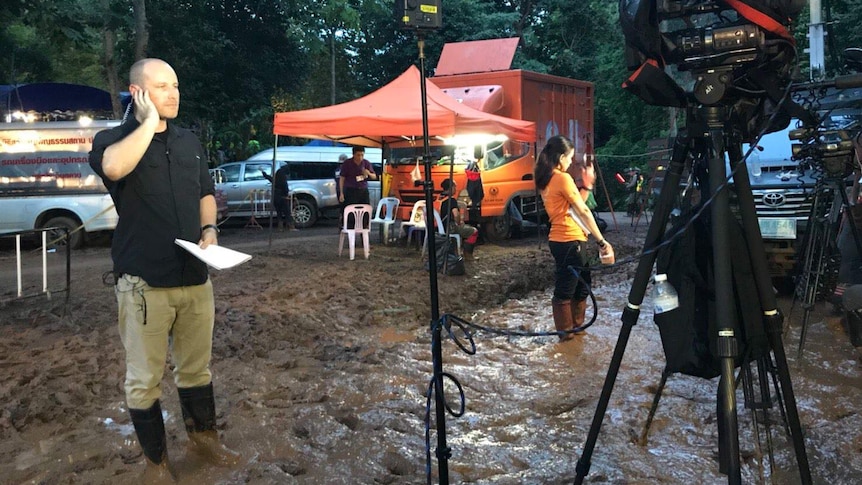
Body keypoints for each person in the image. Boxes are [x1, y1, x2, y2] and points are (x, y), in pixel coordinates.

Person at [88, 58, 240, 482]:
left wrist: (209, 227)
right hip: (143, 283)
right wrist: (148, 122)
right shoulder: (111, 140)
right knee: (144, 380)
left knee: (196, 370)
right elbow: (115, 168)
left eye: (175, 85)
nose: (173, 93)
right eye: (161, 87)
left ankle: (204, 440)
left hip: (195, 276)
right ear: (138, 93)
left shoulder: (190, 141)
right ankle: (156, 463)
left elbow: (205, 192)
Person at [535, 135, 614, 342]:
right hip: (569, 240)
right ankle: (567, 337)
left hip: (564, 240)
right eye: (569, 158)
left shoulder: (547, 178)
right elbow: (583, 211)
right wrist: (602, 241)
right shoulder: (562, 178)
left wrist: (586, 186)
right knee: (566, 289)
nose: (571, 162)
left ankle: (576, 331)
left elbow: (573, 205)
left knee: (582, 285)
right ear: (561, 157)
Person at [439, 179, 478, 258]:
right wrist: (459, 222)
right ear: (452, 188)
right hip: (450, 227)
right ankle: (468, 255)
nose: (456, 189)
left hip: (441, 227)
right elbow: (456, 214)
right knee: (474, 231)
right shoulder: (451, 200)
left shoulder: (439, 198)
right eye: (455, 187)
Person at [261, 164, 297, 231]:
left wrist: (264, 173)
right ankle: (291, 226)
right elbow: (285, 187)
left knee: (279, 212)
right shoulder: (283, 177)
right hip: (282, 196)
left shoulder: (276, 176)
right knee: (287, 212)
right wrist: (286, 194)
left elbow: (270, 178)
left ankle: (280, 227)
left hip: (275, 196)